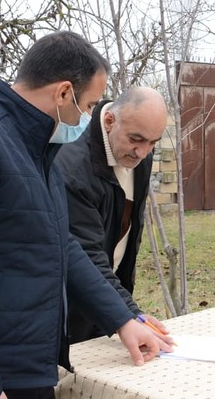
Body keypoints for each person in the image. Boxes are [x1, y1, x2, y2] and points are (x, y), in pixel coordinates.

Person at [0, 32, 172, 399]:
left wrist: (122, 319)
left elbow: (61, 245)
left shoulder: (35, 147)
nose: (90, 116)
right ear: (63, 93)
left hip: (20, 361)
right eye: (89, 105)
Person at [55, 86, 169, 343]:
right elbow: (85, 254)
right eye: (136, 140)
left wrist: (126, 310)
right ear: (109, 122)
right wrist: (128, 314)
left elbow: (128, 228)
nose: (143, 152)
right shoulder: (72, 166)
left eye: (153, 143)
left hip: (110, 293)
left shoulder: (139, 153)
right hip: (70, 304)